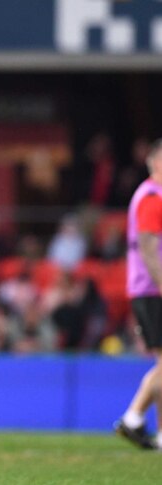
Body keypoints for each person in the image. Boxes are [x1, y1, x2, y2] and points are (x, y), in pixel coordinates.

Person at [116, 139, 162, 450]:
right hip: (151, 289)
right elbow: (147, 246)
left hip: (148, 288)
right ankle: (132, 417)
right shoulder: (151, 197)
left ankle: (152, 429)